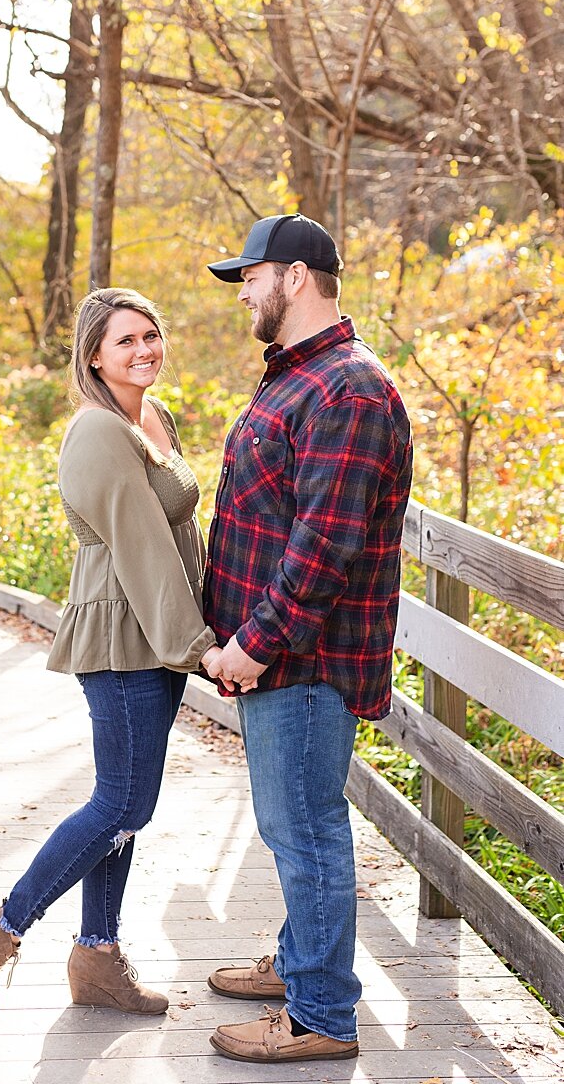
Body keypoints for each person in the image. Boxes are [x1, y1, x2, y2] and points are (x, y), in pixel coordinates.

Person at [0, 288, 224, 1016]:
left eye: (151, 335)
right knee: (121, 802)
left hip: (157, 630)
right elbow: (139, 546)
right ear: (94, 355)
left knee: (129, 805)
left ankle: (97, 956)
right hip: (123, 634)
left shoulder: (154, 417)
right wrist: (197, 644)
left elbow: (177, 536)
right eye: (125, 341)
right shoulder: (99, 432)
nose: (144, 351)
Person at [202, 214, 412, 1063]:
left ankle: (321, 1013)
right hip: (277, 656)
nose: (243, 291)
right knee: (292, 825)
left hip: (305, 659)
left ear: (293, 277)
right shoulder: (301, 377)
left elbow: (324, 546)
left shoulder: (348, 391)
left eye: (250, 276)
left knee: (308, 830)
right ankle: (299, 965)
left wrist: (251, 645)